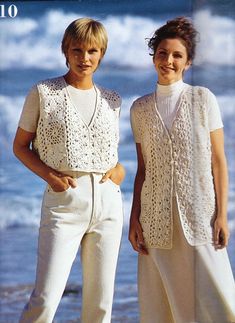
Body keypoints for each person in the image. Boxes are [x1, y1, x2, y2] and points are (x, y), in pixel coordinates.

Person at [13, 17, 125, 323]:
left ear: (102, 53)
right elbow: (20, 146)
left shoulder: (113, 100)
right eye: (77, 49)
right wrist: (50, 177)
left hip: (109, 207)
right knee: (45, 299)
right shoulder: (44, 93)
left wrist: (120, 171)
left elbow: (109, 153)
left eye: (92, 51)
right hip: (64, 206)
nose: (84, 58)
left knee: (100, 305)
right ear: (65, 49)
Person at [129, 16, 235, 323]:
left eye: (177, 55)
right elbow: (143, 170)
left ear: (188, 63)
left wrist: (222, 216)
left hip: (201, 214)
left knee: (219, 298)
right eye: (162, 53)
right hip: (155, 218)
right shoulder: (140, 108)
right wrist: (135, 218)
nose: (168, 61)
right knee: (164, 303)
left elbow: (218, 161)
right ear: (154, 57)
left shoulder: (203, 99)